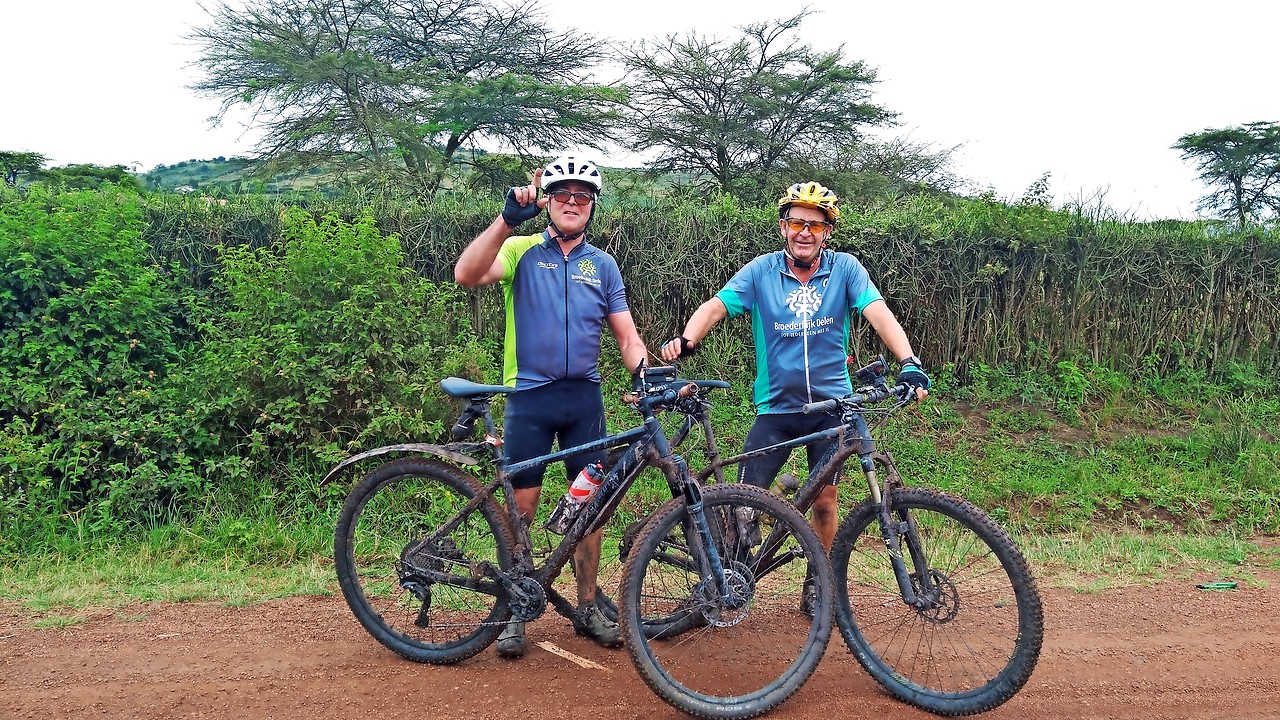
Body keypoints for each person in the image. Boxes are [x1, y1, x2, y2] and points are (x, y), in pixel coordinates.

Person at [659, 180, 930, 615]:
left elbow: (878, 312)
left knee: (824, 500)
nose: (805, 232)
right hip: (777, 409)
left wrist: (909, 360)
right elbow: (715, 306)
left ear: (828, 232)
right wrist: (688, 340)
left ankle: (817, 582)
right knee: (743, 500)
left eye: (815, 225)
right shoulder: (761, 271)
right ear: (784, 226)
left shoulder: (845, 269)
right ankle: (728, 579)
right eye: (797, 222)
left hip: (832, 409)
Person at [454, 154, 650, 658]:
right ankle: (516, 610)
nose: (571, 202)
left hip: (582, 398)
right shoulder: (521, 250)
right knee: (523, 508)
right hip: (529, 397)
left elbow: (626, 337)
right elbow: (467, 273)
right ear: (548, 201)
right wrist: (504, 221)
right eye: (562, 193)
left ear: (591, 207)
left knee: (590, 509)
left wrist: (648, 374)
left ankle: (586, 607)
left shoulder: (602, 266)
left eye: (581, 196)